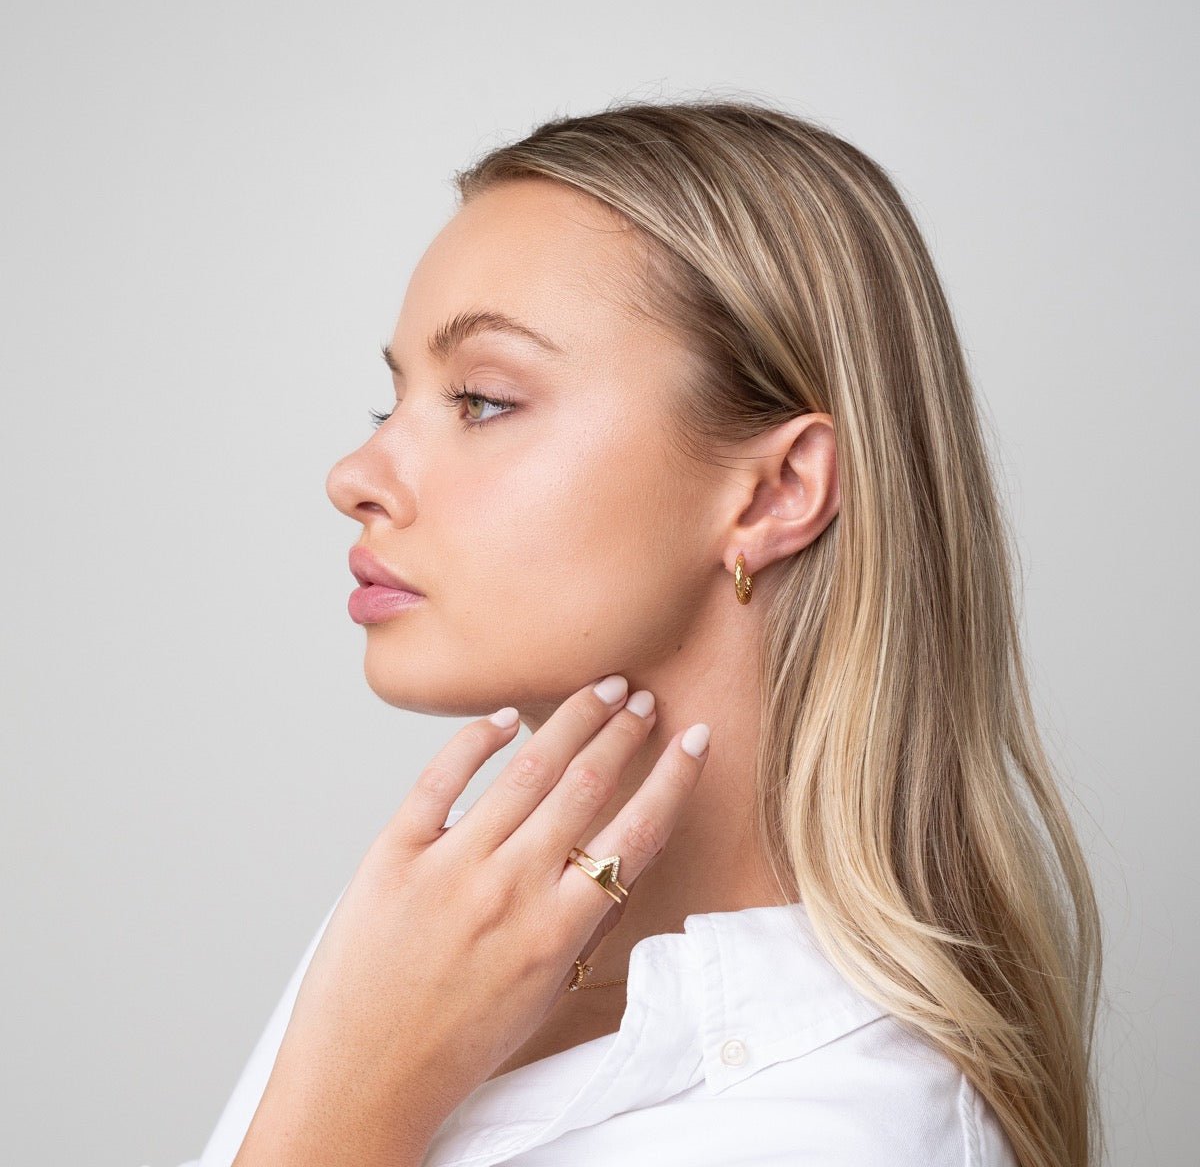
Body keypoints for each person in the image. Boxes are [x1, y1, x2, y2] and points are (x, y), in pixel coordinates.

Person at [162, 99, 1104, 1167]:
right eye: (393, 406)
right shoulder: (424, 937)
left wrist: (344, 1122)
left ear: (777, 491)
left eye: (480, 399)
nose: (355, 477)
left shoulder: (845, 1135)